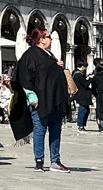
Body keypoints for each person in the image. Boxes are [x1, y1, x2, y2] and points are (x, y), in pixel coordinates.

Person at [12, 27, 70, 171]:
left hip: (53, 99)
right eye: (48, 37)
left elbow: (48, 71)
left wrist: (58, 66)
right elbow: (25, 77)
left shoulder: (48, 54)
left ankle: (55, 160)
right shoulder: (30, 54)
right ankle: (39, 160)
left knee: (56, 129)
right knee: (40, 129)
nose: (51, 40)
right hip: (40, 99)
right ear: (41, 39)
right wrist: (31, 95)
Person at [72, 61, 91, 130]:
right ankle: (81, 125)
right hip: (82, 94)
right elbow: (85, 84)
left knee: (86, 109)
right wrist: (90, 79)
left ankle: (82, 125)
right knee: (83, 110)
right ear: (82, 66)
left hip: (80, 94)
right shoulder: (78, 75)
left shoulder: (75, 73)